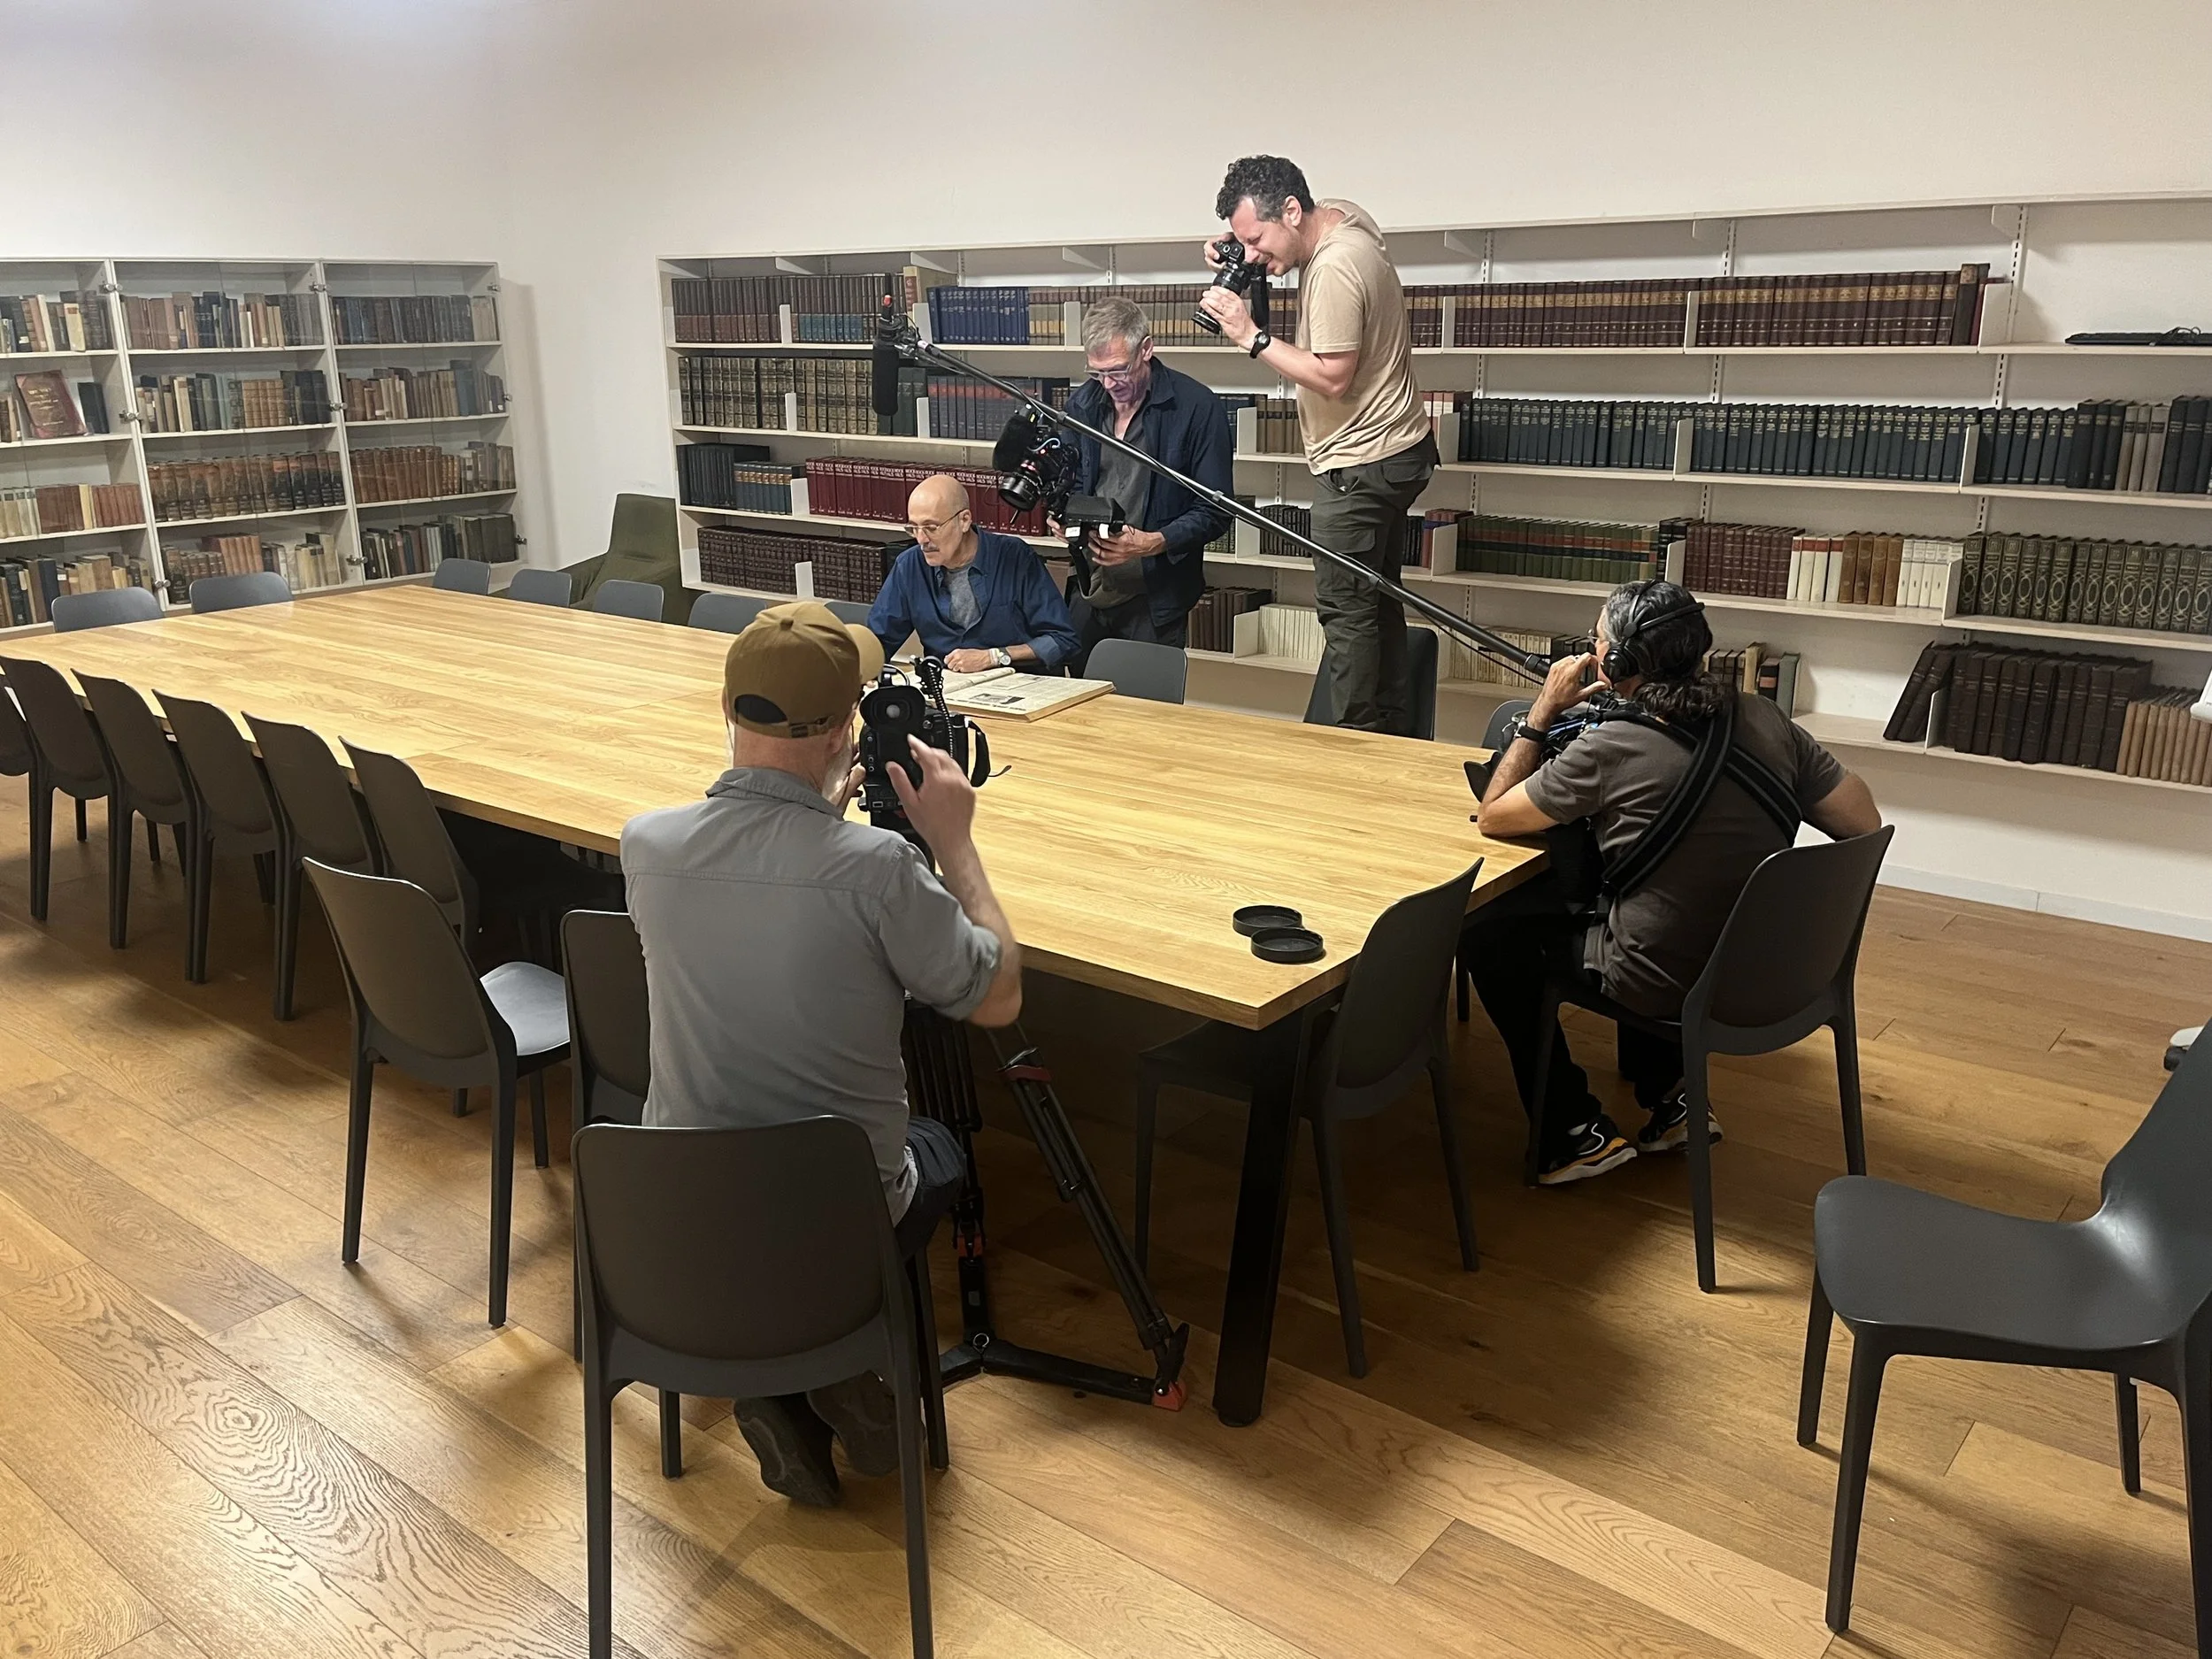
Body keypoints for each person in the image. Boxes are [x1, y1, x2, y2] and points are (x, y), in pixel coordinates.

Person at [621, 599, 1024, 1506]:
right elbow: (997, 998)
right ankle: (823, 1368)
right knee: (939, 1149)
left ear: (726, 711)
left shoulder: (644, 846)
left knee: (763, 1159)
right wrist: (953, 847)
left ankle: (779, 1383)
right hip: (840, 1216)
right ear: (849, 726)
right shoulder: (877, 870)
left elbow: (758, 890)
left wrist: (811, 818)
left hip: (682, 1205)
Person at [1463, 580, 1882, 1184]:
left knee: (1490, 937)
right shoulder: (1766, 718)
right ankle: (1676, 1095)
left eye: (1598, 641)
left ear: (1619, 662)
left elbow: (1494, 816)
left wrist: (1542, 712)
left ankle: (1572, 1132)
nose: (1592, 649)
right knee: (1666, 898)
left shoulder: (1609, 750)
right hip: (1771, 973)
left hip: (1672, 982)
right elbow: (1862, 821)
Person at [1200, 154, 1436, 734]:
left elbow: (1333, 375)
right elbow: (1285, 229)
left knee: (1347, 614)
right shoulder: (1349, 221)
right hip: (1401, 449)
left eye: (1256, 240)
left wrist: (1248, 336)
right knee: (1377, 606)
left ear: (1292, 210)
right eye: (1243, 243)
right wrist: (1238, 244)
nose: (1253, 256)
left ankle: (1354, 748)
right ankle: (1393, 739)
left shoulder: (1333, 268)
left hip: (1360, 464)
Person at [1057, 295, 1233, 670]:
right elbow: (1069, 482)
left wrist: (1153, 543)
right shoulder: (1082, 405)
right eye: (1097, 372)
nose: (1108, 384)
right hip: (1089, 588)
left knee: (1147, 720)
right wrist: (1062, 515)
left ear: (1147, 349)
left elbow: (1216, 511)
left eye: (1119, 370)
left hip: (1156, 600)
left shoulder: (1196, 407)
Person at [867, 473, 1079, 673]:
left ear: (965, 520)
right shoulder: (910, 566)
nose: (921, 539)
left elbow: (1061, 640)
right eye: (913, 528)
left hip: (1019, 687)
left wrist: (995, 656)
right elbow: (878, 641)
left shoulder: (1014, 557)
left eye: (932, 527)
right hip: (948, 694)